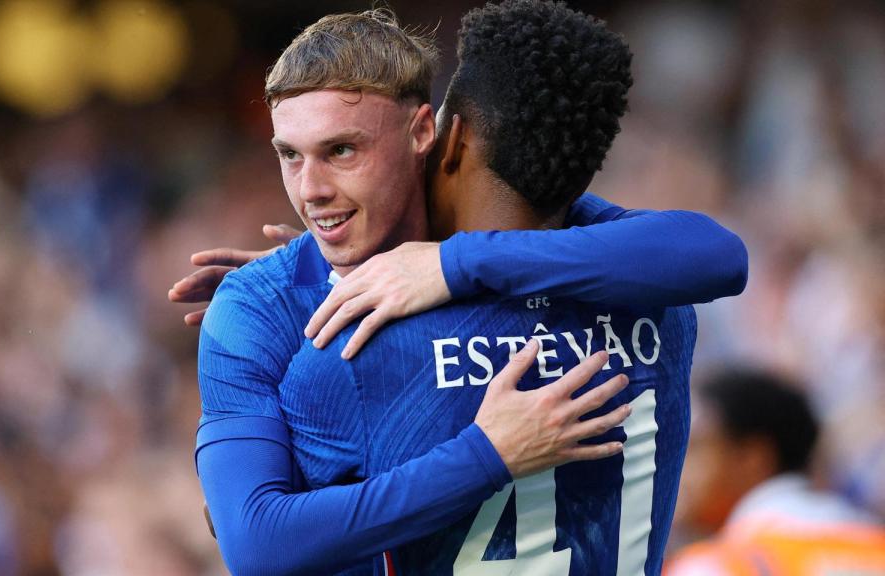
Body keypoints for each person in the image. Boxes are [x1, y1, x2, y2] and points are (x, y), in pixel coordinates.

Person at [177, 4, 748, 575]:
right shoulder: (651, 291)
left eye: (342, 151)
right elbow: (254, 541)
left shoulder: (341, 350)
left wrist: (451, 266)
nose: (310, 190)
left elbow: (262, 541)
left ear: (431, 133)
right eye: (288, 155)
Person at [665, 369, 885, 575]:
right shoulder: (875, 544)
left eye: (694, 449)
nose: (675, 467)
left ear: (752, 459)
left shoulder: (710, 566)